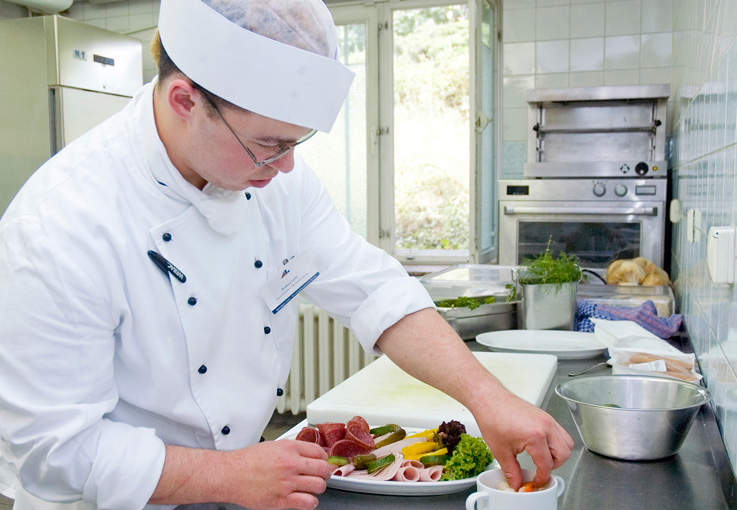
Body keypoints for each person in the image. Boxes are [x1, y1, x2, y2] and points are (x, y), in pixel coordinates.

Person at [0, 1, 573, 510]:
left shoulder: (274, 182)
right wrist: (226, 475)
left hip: (242, 485)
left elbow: (372, 289)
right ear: (185, 100)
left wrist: (489, 399)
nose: (288, 167)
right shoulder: (59, 225)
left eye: (297, 143)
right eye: (270, 144)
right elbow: (55, 451)